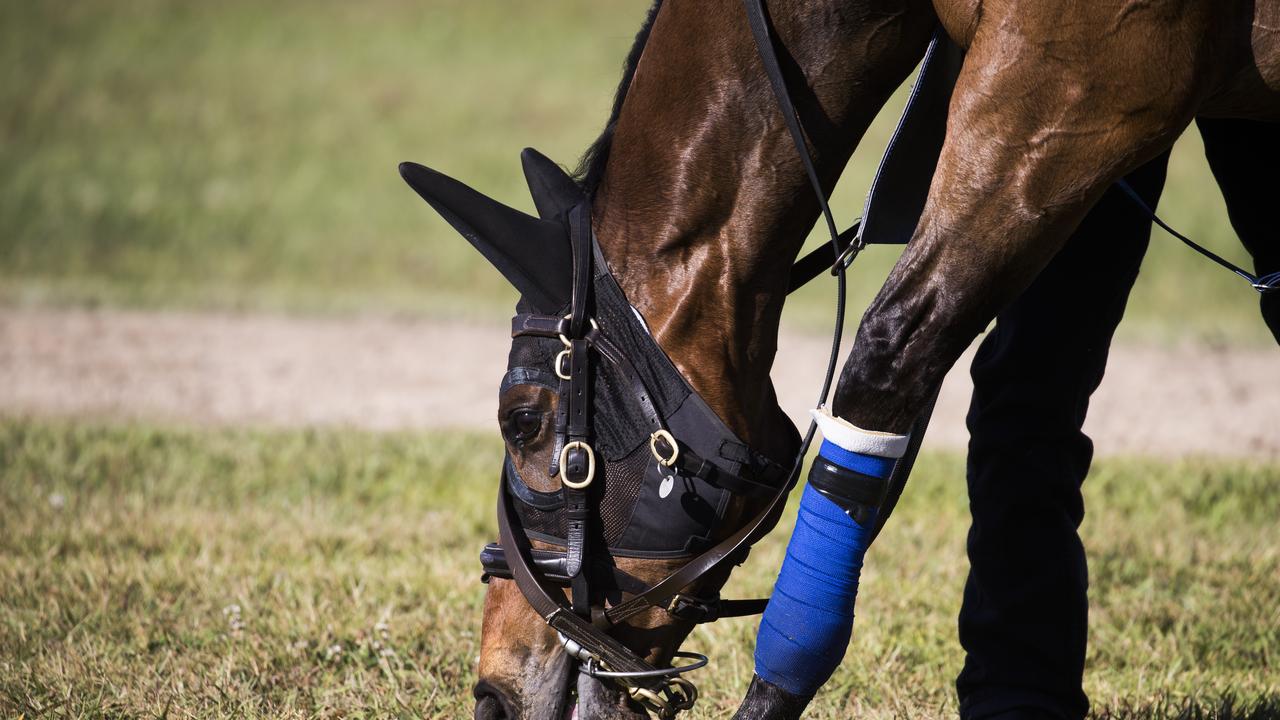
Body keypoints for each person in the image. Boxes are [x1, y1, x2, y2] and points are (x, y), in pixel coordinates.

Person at [956, 117, 1279, 720]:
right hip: (1100, 77)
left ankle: (1015, 691)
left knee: (1031, 379)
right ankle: (1016, 692)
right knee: (1032, 374)